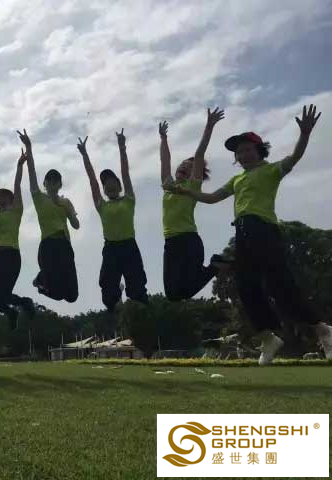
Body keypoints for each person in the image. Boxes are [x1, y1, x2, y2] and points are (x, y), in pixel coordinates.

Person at [167, 104, 332, 364]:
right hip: (243, 234)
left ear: (259, 150)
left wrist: (304, 135)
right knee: (245, 286)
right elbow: (212, 197)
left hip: (264, 231)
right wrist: (187, 192)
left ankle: (322, 330)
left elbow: (294, 157)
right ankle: (268, 337)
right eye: (238, 152)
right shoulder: (237, 180)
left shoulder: (270, 170)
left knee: (280, 286)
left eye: (246, 149)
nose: (242, 155)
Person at [160, 108, 228, 301]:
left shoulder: (192, 186)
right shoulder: (168, 186)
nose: (184, 166)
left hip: (188, 241)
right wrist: (163, 139)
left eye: (189, 167)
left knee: (184, 291)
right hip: (170, 243)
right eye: (183, 164)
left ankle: (215, 266)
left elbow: (199, 155)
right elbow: (164, 160)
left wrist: (209, 126)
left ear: (194, 174)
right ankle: (215, 266)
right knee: (172, 295)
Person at [76, 130, 148, 314]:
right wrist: (84, 155)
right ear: (104, 190)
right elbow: (92, 181)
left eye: (112, 181)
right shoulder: (101, 205)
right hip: (111, 249)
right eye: (105, 183)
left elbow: (125, 173)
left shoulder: (129, 199)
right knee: (108, 291)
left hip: (129, 247)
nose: (109, 184)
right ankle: (116, 304)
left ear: (119, 184)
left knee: (138, 289)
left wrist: (122, 147)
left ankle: (141, 312)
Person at [17, 129, 79, 302]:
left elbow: (76, 225)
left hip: (65, 246)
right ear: (45, 183)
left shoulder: (65, 202)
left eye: (55, 181)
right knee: (57, 293)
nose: (52, 183)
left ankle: (42, 281)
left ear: (60, 184)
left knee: (72, 296)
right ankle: (41, 280)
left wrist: (69, 213)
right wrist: (29, 147)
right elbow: (31, 172)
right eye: (49, 181)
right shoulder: (39, 198)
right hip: (48, 246)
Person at [0, 150, 35, 329]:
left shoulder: (16, 212)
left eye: (4, 196)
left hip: (11, 256)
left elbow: (17, 185)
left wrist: (20, 165)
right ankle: (11, 312)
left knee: (4, 294)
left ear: (11, 200)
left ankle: (25, 303)